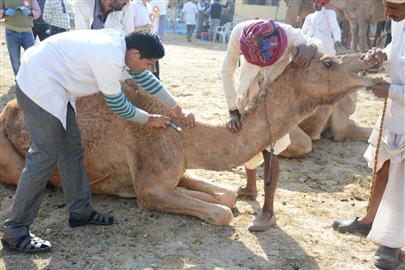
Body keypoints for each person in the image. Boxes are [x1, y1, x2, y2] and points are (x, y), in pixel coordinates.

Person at [1, 29, 195, 253]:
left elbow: (145, 78)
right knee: (44, 155)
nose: (151, 68)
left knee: (72, 149)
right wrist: (149, 119)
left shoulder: (125, 50)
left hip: (57, 84)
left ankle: (80, 211)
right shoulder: (108, 58)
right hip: (38, 84)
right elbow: (119, 106)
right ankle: (15, 231)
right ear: (135, 54)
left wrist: (177, 108)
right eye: (149, 62)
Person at [221, 19, 319, 232]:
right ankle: (250, 188)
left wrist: (310, 48)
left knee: (269, 151)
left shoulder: (290, 35)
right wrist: (233, 111)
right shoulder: (240, 33)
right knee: (245, 140)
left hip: (277, 102)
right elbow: (226, 70)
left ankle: (268, 211)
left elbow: (315, 42)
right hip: (249, 95)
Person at [332, 1, 405, 268]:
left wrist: (393, 91)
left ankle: (393, 242)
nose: (386, 14)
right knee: (382, 167)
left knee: (402, 181)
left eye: (393, 7)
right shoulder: (399, 25)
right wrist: (382, 55)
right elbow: (397, 51)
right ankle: (370, 220)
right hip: (395, 115)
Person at [0, 0, 41, 76]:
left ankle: (31, 77)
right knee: (15, 59)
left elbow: (38, 11)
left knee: (31, 57)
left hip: (27, 32)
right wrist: (5, 12)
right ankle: (19, 80)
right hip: (11, 32)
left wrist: (30, 12)